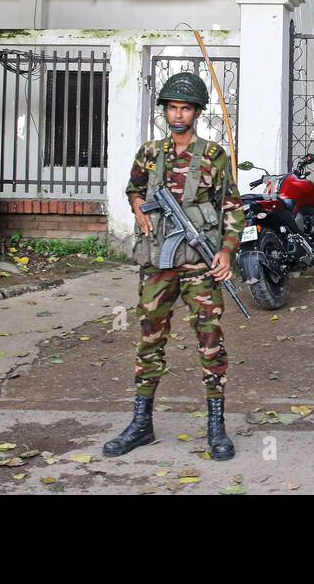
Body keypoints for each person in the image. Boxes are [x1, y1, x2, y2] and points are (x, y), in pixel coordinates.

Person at [103, 72, 244, 460]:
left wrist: (227, 251)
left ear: (196, 112)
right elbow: (133, 188)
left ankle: (216, 427)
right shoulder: (150, 152)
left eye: (185, 108)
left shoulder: (213, 155)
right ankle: (141, 423)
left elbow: (232, 207)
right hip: (157, 264)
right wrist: (138, 209)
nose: (178, 114)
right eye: (172, 107)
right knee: (150, 340)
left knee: (210, 343)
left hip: (199, 264)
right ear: (165, 110)